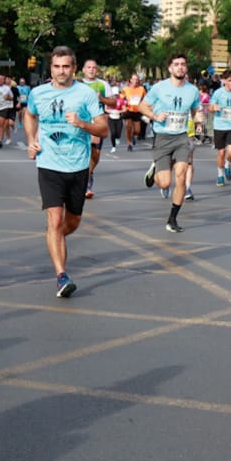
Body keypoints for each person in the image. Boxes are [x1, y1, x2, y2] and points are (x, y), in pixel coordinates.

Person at [24, 46, 108, 298]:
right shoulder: (38, 93)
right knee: (55, 220)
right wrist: (31, 139)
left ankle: (54, 239)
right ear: (50, 68)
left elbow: (103, 129)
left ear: (74, 67)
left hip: (78, 166)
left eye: (66, 66)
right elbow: (29, 115)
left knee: (71, 223)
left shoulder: (86, 94)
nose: (61, 71)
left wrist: (82, 123)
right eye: (56, 66)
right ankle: (62, 276)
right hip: (49, 164)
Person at [139, 54, 201, 232]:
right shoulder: (159, 88)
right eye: (176, 64)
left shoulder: (192, 90)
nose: (180, 67)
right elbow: (142, 106)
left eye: (183, 64)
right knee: (165, 183)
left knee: (181, 175)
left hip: (181, 137)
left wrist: (199, 120)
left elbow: (196, 111)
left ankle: (172, 219)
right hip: (163, 137)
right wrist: (154, 116)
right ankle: (155, 171)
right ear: (170, 68)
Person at [208, 70, 231, 186]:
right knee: (221, 152)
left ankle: (227, 164)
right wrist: (214, 107)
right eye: (229, 81)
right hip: (220, 125)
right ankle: (220, 175)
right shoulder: (218, 93)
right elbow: (209, 107)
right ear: (224, 81)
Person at [81, 59, 109, 199]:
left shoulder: (102, 85)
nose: (91, 70)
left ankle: (89, 173)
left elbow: (114, 101)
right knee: (82, 152)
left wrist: (102, 99)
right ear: (83, 70)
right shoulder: (77, 85)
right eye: (89, 67)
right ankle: (84, 183)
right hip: (80, 124)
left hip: (97, 123)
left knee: (95, 155)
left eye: (94, 67)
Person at [121, 73, 147, 151]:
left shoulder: (141, 89)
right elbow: (121, 99)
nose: (135, 81)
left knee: (137, 130)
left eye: (137, 79)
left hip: (137, 111)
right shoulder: (126, 89)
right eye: (134, 79)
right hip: (128, 110)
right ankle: (129, 143)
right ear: (131, 80)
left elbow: (145, 99)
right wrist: (123, 106)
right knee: (128, 126)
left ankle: (133, 136)